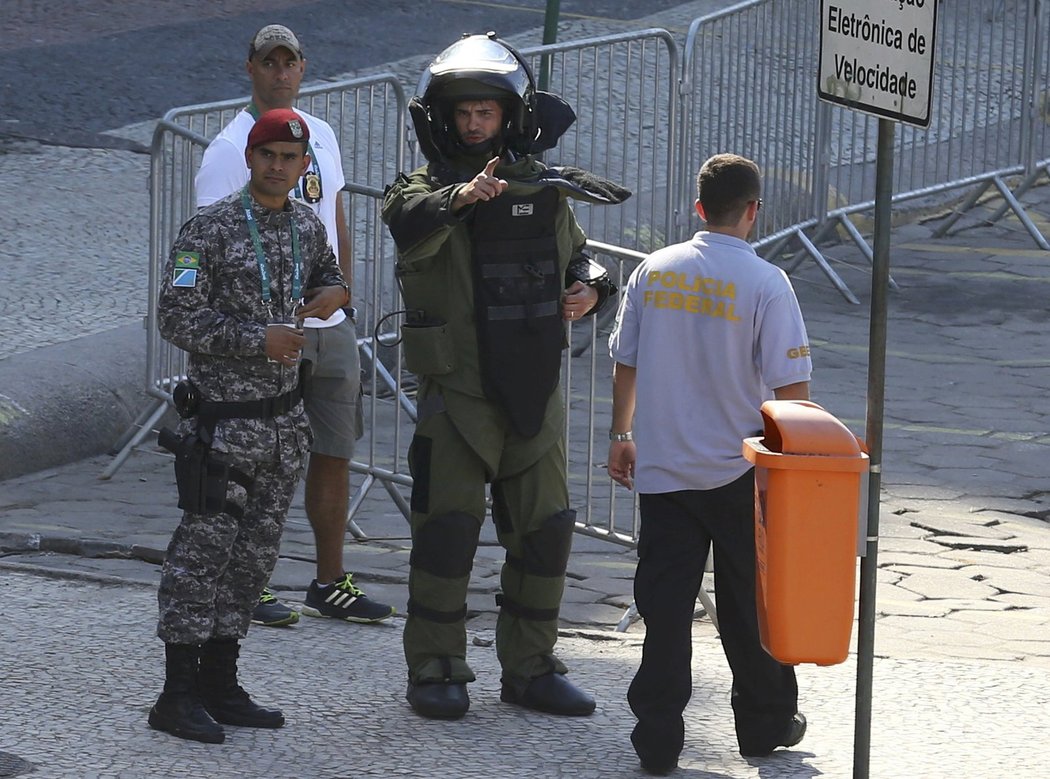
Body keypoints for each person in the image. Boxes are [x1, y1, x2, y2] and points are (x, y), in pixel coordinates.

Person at [381, 32, 628, 720]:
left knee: (547, 533)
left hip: (534, 394)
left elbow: (583, 258)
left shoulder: (542, 190)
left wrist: (592, 288)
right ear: (443, 118)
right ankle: (435, 666)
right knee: (446, 535)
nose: (472, 123)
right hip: (457, 396)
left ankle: (531, 666)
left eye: (484, 112)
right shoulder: (423, 188)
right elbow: (406, 222)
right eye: (461, 113)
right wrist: (461, 197)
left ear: (508, 115)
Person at [150, 109, 351, 743]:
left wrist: (335, 295)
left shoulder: (305, 225)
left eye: (290, 159)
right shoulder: (205, 231)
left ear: (300, 167)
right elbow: (175, 317)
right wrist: (253, 341)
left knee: (252, 561)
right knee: (200, 558)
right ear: (251, 158)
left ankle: (222, 682)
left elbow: (330, 274)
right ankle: (176, 693)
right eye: (268, 155)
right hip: (225, 426)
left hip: (282, 424)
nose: (277, 166)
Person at [607, 153, 811, 774]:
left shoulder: (654, 270)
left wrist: (622, 434)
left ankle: (659, 734)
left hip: (665, 468)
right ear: (754, 211)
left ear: (698, 208)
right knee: (751, 603)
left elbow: (627, 362)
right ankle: (764, 722)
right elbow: (791, 389)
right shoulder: (767, 283)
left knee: (664, 608)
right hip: (740, 467)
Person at [195, 23, 394, 627]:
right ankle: (244, 578)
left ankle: (330, 580)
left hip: (327, 324)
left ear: (303, 68)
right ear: (250, 68)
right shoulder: (230, 150)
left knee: (333, 450)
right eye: (269, 62)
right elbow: (205, 246)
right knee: (253, 457)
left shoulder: (320, 135)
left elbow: (333, 211)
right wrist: (248, 331)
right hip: (261, 333)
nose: (281, 72)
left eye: (291, 62)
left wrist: (345, 299)